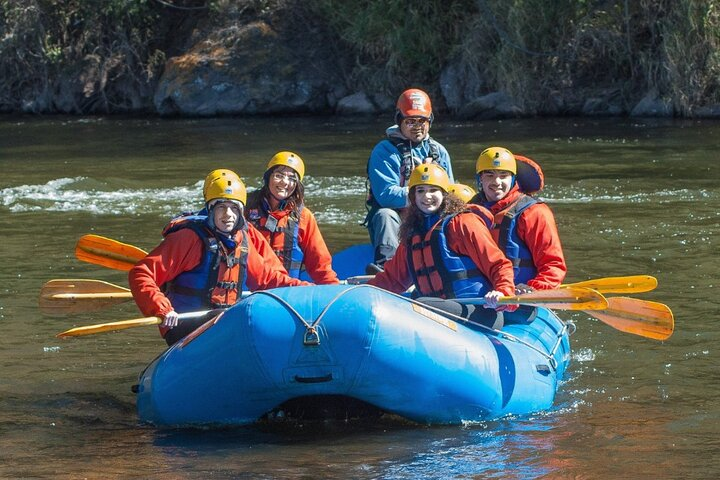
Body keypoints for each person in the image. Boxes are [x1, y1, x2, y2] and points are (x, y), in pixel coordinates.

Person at [129, 169, 311, 345]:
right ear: (210, 210)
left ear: (241, 212)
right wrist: (161, 308)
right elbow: (141, 273)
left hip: (223, 322)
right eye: (221, 207)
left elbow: (269, 280)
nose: (228, 215)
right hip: (185, 326)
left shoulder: (242, 240)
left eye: (234, 208)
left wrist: (309, 290)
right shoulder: (188, 238)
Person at [367, 164, 516, 328]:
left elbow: (498, 264)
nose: (427, 196)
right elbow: (392, 279)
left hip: (478, 312)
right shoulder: (413, 233)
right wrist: (363, 294)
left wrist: (503, 291)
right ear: (413, 196)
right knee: (413, 301)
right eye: (421, 190)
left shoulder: (463, 223)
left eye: (433, 190)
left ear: (444, 194)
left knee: (417, 303)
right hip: (435, 310)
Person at [364, 88, 454, 274]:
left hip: (432, 216)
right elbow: (386, 196)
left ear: (430, 121)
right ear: (399, 121)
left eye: (422, 121)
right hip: (398, 219)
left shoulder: (439, 151)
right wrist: (421, 190)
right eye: (410, 121)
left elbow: (451, 192)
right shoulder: (384, 151)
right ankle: (386, 268)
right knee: (384, 215)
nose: (417, 126)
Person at [470, 146, 567, 295]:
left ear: (513, 178)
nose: (497, 182)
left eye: (503, 175)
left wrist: (534, 290)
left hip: (520, 297)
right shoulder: (469, 212)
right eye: (489, 175)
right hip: (481, 297)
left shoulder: (534, 212)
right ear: (480, 179)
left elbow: (553, 265)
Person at [245, 151, 339, 285]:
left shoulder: (304, 217)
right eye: (279, 175)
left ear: (297, 185)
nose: (284, 182)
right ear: (268, 177)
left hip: (286, 291)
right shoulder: (244, 208)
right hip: (247, 291)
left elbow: (321, 265)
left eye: (292, 179)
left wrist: (332, 290)